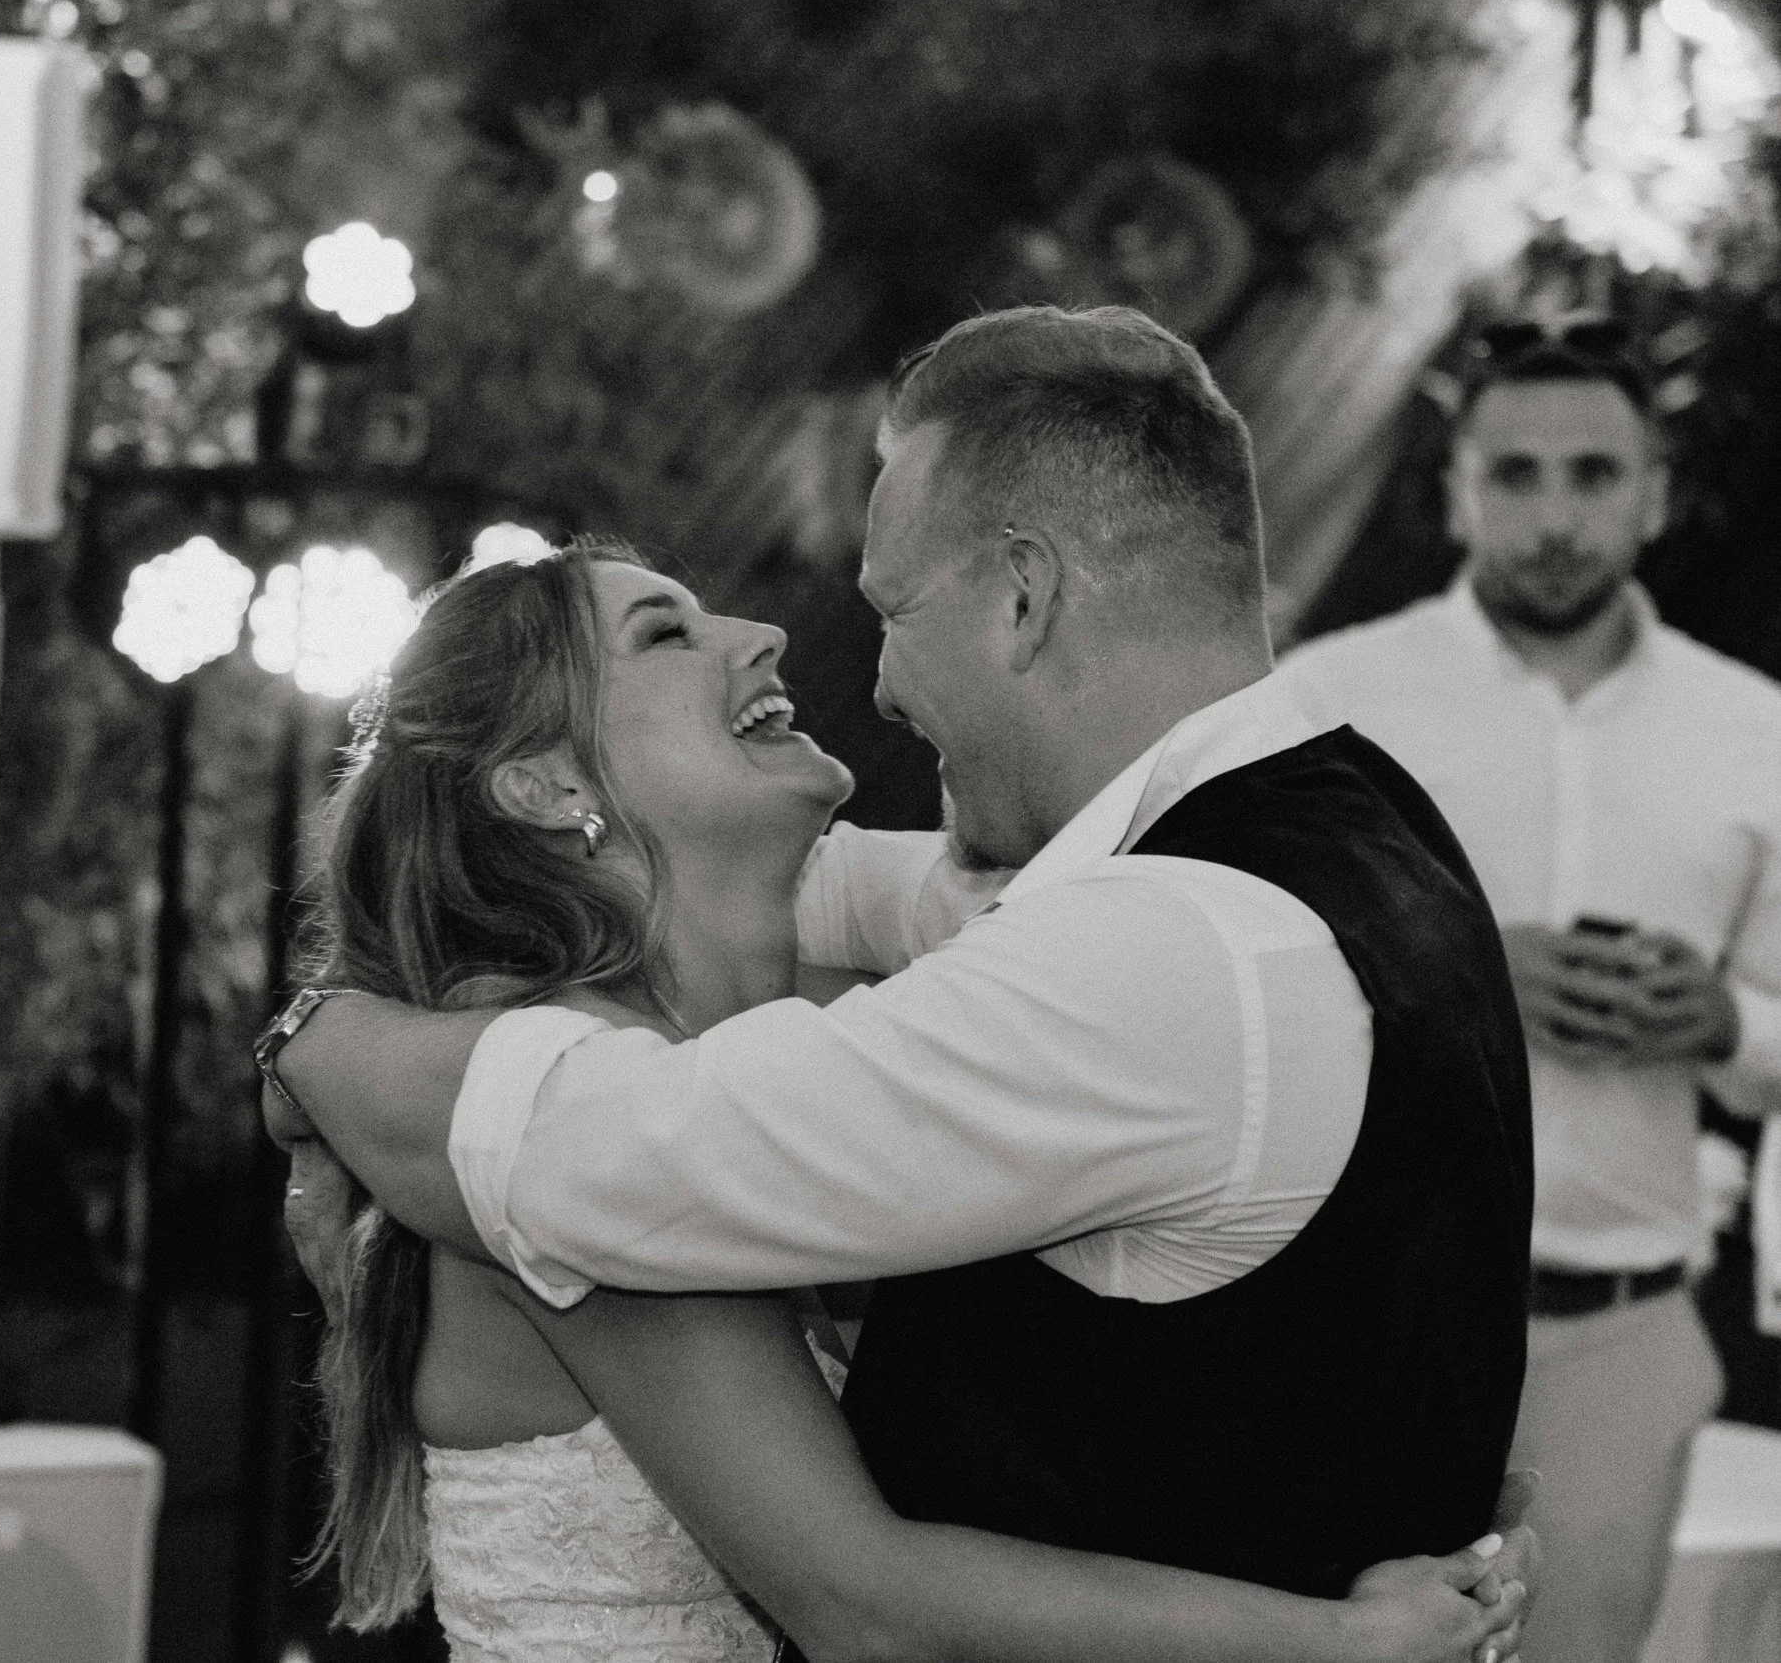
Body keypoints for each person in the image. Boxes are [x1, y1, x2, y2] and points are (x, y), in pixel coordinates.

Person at [270, 306, 1537, 1611]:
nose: (869, 681)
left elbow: (608, 1152)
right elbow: (895, 894)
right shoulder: (1359, 842)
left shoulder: (1160, 943)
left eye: (896, 611)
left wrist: (316, 1040)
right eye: (665, 633)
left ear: (1026, 595)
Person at [1274, 317, 1781, 1663]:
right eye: (1516, 474)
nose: (1556, 514)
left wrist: (1725, 1020)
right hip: (1345, 1318)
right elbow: (1236, 975)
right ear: (1456, 489)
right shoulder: (1328, 700)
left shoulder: (1758, 731)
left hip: (1619, 1329)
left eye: (1594, 474)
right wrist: (1461, 962)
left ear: (1657, 492)